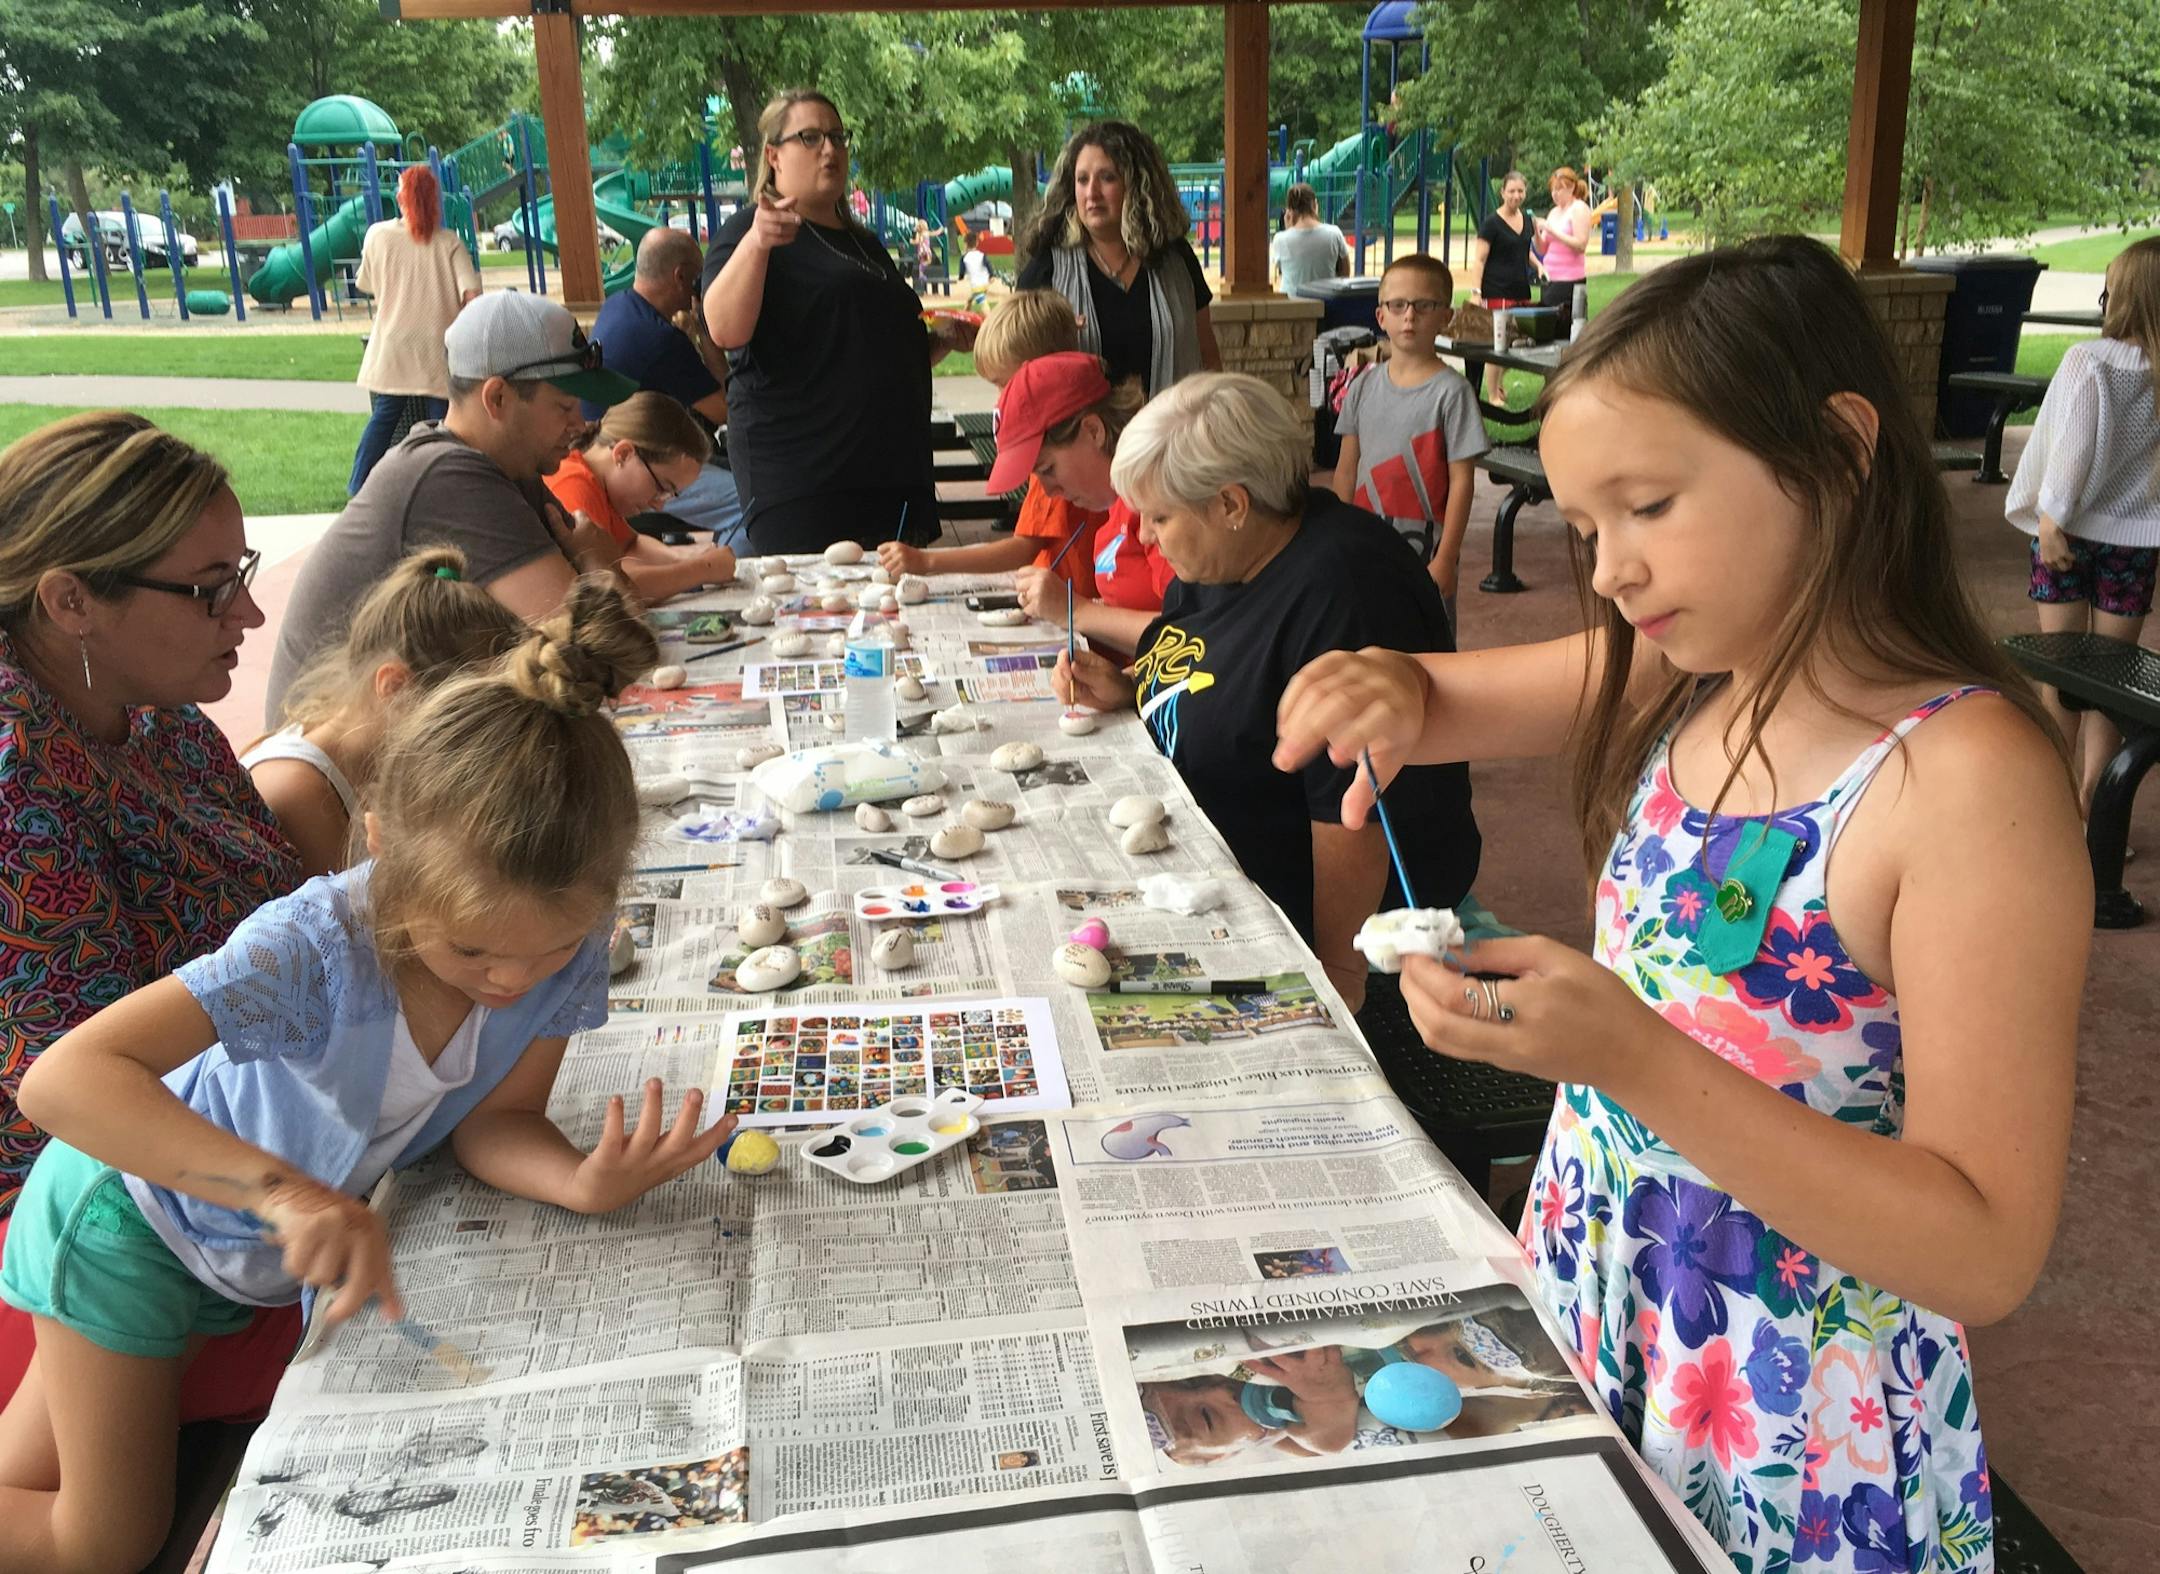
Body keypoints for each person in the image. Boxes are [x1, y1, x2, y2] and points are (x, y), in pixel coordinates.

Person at [1273, 236, 2088, 1570]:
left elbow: (1987, 1245)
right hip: (1609, 1319)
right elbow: (1445, 697)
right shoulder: (1697, 671)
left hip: (1796, 1431)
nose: (1609, 572)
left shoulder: (1962, 780)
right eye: (1588, 530)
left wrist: (1626, 1055)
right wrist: (1391, 690)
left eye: (1650, 506)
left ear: (1836, 449)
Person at [0, 578, 737, 1573]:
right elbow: (63, 1082)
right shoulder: (312, 947)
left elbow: (498, 1116)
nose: (514, 980)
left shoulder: (568, 942)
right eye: (475, 952)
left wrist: (575, 1177)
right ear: (384, 848)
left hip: (251, 1247)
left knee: (33, 1468)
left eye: (552, 948)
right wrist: (283, 1189)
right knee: (103, 1540)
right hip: (132, 1215)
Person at [0, 412, 304, 1422]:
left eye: (243, 570)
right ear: (70, 599)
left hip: (238, 1162)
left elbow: (283, 903)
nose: (250, 614)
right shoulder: (17, 780)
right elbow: (72, 1095)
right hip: (111, 1235)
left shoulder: (158, 712)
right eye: (211, 586)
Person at [1053, 372, 1478, 1009]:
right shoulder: (1225, 555)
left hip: (1309, 915)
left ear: (1230, 504)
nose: (1143, 536)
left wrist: (1337, 977)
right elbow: (1212, 658)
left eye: (1159, 517)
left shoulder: (1345, 595)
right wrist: (1134, 687)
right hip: (1208, 860)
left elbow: (1350, 816)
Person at [267, 290, 638, 723]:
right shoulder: (450, 476)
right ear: (497, 398)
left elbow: (613, 645)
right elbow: (594, 655)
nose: (581, 424)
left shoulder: (513, 466)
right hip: (341, 764)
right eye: (564, 406)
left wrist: (600, 571)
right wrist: (596, 558)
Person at [701, 89, 972, 555]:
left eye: (837, 137)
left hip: (890, 478)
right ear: (774, 156)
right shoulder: (752, 231)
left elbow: (867, 350)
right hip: (807, 482)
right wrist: (757, 245)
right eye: (809, 137)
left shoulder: (863, 243)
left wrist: (941, 341)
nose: (829, 149)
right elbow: (725, 330)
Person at [248, 546, 526, 879]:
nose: (478, 745)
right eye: (466, 718)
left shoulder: (379, 764)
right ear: (395, 688)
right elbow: (364, 925)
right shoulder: (301, 793)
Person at [2007, 234, 2160, 811]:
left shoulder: (2089, 361)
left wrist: (2051, 521)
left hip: (2066, 533)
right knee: (2113, 684)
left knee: (2063, 674)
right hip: (2137, 545)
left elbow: (2071, 448)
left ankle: (2053, 804)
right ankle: (2098, 802)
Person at [877, 291, 1096, 589]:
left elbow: (1023, 547)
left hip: (1073, 604)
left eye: (1004, 385)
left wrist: (928, 562)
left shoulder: (1059, 454)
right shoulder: (1059, 444)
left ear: (1038, 372)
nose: (1000, 401)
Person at [1332, 254, 1488, 620]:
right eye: (1398, 305)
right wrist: (1337, 537)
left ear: (1445, 317)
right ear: (1381, 315)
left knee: (1424, 637)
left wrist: (1447, 557)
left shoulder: (1453, 393)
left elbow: (1462, 481)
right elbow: (1345, 469)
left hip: (1426, 553)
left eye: (1424, 305)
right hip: (1364, 545)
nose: (1410, 316)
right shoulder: (1362, 387)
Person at [989, 353, 1177, 657]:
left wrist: (1075, 610)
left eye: (1048, 469)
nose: (1048, 491)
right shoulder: (1114, 505)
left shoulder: (1157, 503)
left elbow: (1199, 633)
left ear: (1093, 431)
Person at [1017, 120, 1222, 395]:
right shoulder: (1047, 268)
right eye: (1082, 180)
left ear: (1137, 184)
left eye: (1107, 177)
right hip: (1084, 435)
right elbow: (1015, 368)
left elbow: (1207, 355)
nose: (1092, 193)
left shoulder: (1176, 260)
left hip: (1172, 432)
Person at [585, 227, 746, 548]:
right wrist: (707, 329)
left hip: (606, 450)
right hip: (638, 470)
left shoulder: (619, 306)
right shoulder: (659, 339)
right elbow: (727, 409)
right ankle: (728, 582)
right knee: (749, 505)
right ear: (681, 277)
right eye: (698, 280)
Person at [347, 164, 483, 497]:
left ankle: (359, 485)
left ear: (401, 197)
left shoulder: (378, 236)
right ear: (434, 200)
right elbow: (472, 296)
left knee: (384, 419)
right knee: (441, 423)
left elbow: (364, 283)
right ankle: (440, 485)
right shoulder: (448, 243)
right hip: (438, 344)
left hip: (393, 344)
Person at [544, 393, 739, 605]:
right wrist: (703, 570)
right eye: (661, 488)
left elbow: (631, 544)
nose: (659, 504)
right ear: (624, 454)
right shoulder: (574, 485)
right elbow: (614, 586)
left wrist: (685, 558)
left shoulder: (599, 486)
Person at [1471, 171, 1536, 404]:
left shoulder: (1527, 220)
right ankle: (1491, 395)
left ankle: (1497, 384)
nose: (1516, 196)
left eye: (1520, 191)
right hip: (1496, 291)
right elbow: (1479, 259)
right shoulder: (1491, 223)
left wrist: (1540, 266)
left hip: (1521, 291)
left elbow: (1524, 251)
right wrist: (1476, 293)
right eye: (1511, 191)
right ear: (1502, 192)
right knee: (1498, 345)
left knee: (1517, 343)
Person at [1530, 167, 1591, 324]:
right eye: (1552, 190)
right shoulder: (1554, 212)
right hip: (1550, 277)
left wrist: (1552, 231)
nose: (1555, 194)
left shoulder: (1579, 209)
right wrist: (1537, 232)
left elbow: (1580, 244)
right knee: (1546, 319)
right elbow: (1542, 248)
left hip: (1569, 279)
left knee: (1561, 321)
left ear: (1571, 188)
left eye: (1559, 189)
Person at [1269, 182, 1349, 298]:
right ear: (1314, 205)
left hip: (1292, 304)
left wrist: (1289, 229)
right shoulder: (1334, 233)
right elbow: (1345, 272)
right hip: (1326, 303)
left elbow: (1283, 271)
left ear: (1290, 211)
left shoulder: (1280, 239)